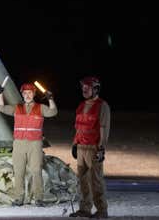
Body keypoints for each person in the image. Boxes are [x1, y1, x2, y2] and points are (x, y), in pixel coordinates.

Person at [0, 82, 57, 206]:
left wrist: (51, 99)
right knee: (18, 171)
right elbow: (1, 108)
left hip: (35, 144)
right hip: (18, 144)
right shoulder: (17, 108)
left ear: (34, 94)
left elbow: (53, 112)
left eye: (30, 93)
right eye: (25, 93)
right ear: (22, 94)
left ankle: (39, 198)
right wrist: (0, 94)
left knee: (36, 171)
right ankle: (19, 198)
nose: (27, 95)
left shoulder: (40, 108)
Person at [69, 76, 110, 219]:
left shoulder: (102, 106)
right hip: (81, 147)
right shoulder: (81, 105)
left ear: (96, 89)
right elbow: (78, 128)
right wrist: (75, 144)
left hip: (93, 148)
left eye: (88, 88)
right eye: (83, 88)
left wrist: (102, 148)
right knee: (83, 180)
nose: (84, 90)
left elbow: (104, 128)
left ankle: (102, 210)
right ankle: (85, 209)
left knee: (96, 181)